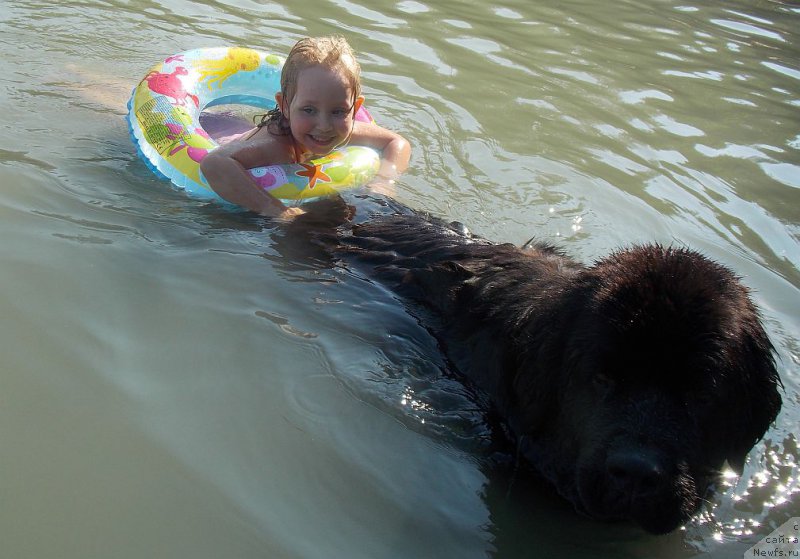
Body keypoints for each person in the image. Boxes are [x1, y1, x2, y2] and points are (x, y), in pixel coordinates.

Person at [200, 36, 411, 218]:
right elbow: (214, 163)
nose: (324, 126)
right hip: (217, 129)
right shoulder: (275, 147)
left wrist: (383, 182)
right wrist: (276, 210)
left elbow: (397, 142)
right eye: (309, 110)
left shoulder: (344, 131)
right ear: (284, 106)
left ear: (354, 109)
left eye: (338, 111)